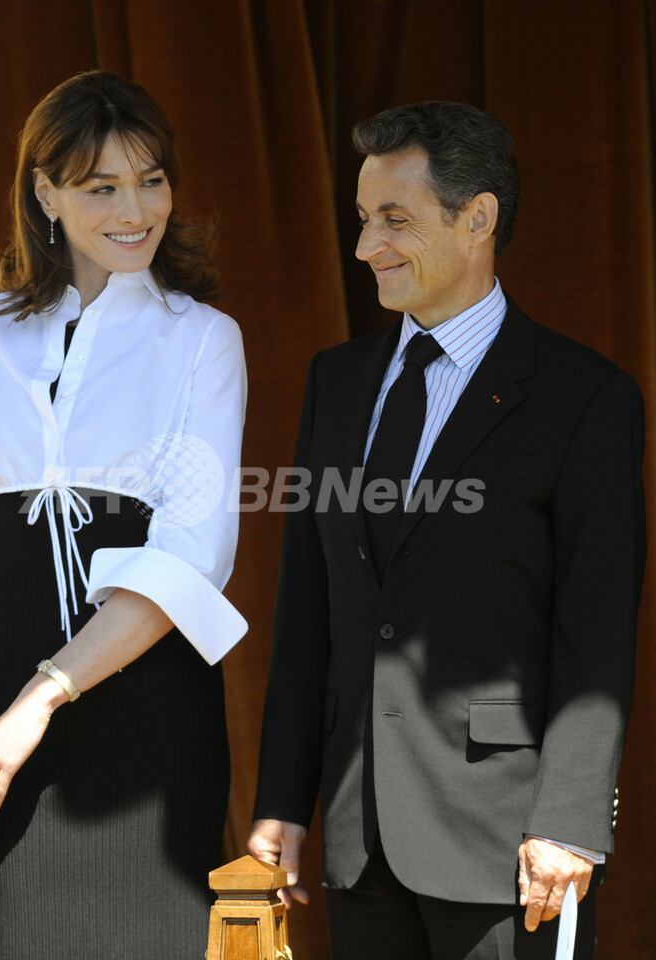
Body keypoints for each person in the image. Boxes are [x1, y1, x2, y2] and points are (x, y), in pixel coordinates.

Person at [249, 102, 645, 959]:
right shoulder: (335, 382)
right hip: (358, 835)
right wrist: (282, 800)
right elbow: (307, 612)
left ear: (479, 219)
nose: (367, 246)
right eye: (363, 219)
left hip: (514, 846)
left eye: (395, 219)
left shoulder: (586, 398)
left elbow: (597, 630)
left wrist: (570, 821)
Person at [0, 70, 247, 960]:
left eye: (151, 180)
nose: (136, 209)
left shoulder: (202, 339)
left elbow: (189, 559)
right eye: (102, 187)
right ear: (45, 193)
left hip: (150, 712)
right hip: (0, 727)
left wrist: (39, 701)